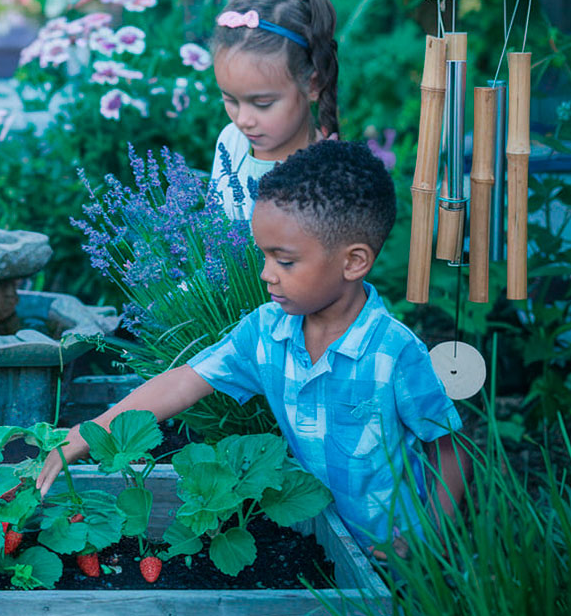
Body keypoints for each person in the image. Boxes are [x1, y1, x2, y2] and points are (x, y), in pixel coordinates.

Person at [37, 141, 468, 552]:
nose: (267, 275)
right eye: (263, 256)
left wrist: (427, 538)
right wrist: (89, 432)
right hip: (318, 536)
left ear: (353, 262)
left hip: (397, 554)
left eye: (285, 261)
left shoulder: (395, 352)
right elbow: (182, 382)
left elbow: (451, 448)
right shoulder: (266, 332)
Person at [207, 0, 339, 221]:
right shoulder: (231, 141)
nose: (243, 121)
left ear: (312, 86)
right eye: (230, 100)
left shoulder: (325, 176)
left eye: (263, 103)